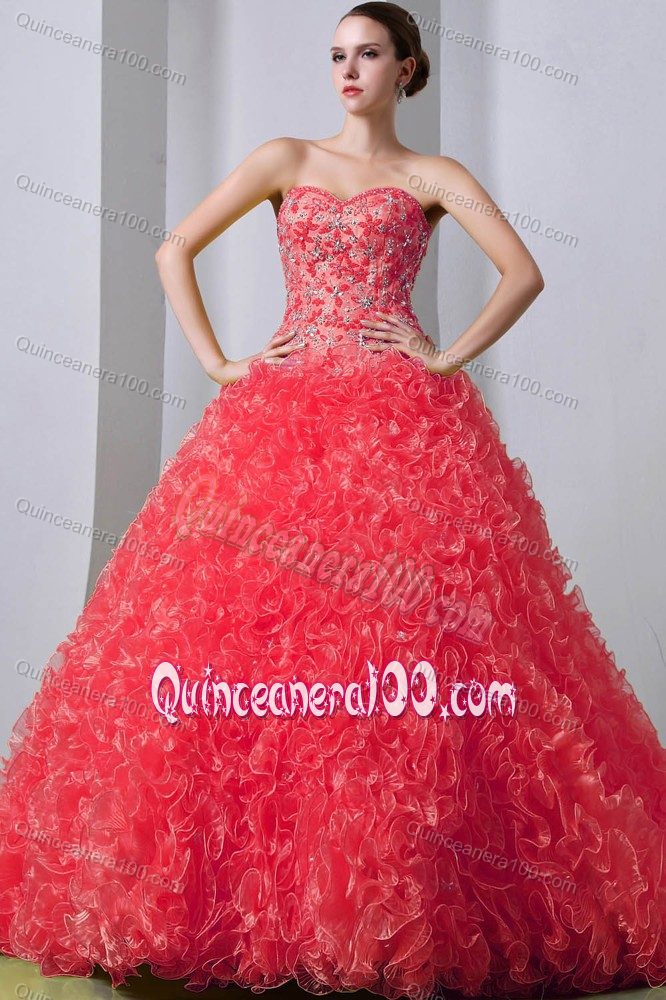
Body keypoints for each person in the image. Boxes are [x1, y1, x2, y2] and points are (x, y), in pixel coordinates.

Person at [1, 2, 665, 997]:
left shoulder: (433, 176)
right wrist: (220, 361)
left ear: (408, 68)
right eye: (337, 56)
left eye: (369, 55)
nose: (348, 71)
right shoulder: (286, 158)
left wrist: (444, 355)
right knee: (238, 634)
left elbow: (523, 274)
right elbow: (173, 248)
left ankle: (386, 912)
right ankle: (230, 908)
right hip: (282, 418)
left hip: (405, 430)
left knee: (409, 647)